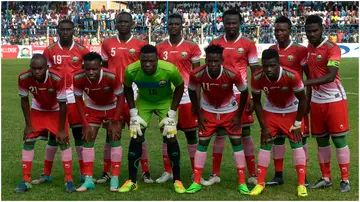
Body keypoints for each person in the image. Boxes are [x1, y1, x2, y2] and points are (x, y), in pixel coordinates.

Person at [118, 45, 185, 193]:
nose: (147, 64)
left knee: (171, 136)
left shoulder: (169, 69)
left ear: (157, 59)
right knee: (136, 135)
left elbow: (180, 86)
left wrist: (172, 112)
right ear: (139, 60)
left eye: (151, 61)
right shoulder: (131, 70)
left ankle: (177, 180)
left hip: (165, 101)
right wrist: (133, 112)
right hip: (144, 101)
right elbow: (127, 88)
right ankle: (132, 181)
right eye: (144, 61)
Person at [185, 45, 250, 194]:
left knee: (236, 143)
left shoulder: (232, 73)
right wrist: (199, 114)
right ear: (205, 60)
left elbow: (244, 92)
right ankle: (196, 181)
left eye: (216, 61)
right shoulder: (197, 73)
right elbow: (191, 89)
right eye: (209, 61)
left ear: (221, 60)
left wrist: (239, 116)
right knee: (202, 143)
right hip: (208, 112)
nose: (213, 64)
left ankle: (242, 182)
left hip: (229, 112)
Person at [206, 9, 259, 186]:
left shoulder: (248, 44)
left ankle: (252, 174)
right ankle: (215, 174)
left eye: (234, 23)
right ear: (223, 23)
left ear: (240, 23)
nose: (230, 26)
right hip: (219, 96)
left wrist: (253, 95)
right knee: (219, 133)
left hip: (240, 94)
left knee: (245, 133)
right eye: (227, 22)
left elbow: (255, 71)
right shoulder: (215, 43)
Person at [33, 19, 90, 185]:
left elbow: (89, 73)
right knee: (54, 137)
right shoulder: (50, 50)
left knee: (79, 137)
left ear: (74, 30)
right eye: (62, 29)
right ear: (57, 30)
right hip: (56, 100)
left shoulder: (82, 50)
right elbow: (44, 75)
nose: (65, 32)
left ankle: (84, 173)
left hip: (75, 99)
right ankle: (46, 174)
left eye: (68, 29)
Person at [100, 12, 151, 184]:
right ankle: (107, 172)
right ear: (115, 24)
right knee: (111, 134)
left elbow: (147, 69)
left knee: (138, 134)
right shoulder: (107, 43)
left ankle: (145, 171)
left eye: (126, 22)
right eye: (119, 21)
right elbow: (104, 68)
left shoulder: (141, 44)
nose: (122, 24)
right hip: (113, 97)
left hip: (134, 95)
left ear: (132, 24)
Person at [249, 49, 308, 197]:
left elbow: (303, 100)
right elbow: (256, 102)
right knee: (265, 144)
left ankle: (301, 184)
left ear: (278, 64)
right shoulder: (257, 77)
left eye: (273, 66)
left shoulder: (292, 75)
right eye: (266, 65)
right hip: (271, 111)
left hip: (292, 111)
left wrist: (297, 123)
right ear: (262, 64)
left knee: (297, 144)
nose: (269, 69)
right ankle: (260, 183)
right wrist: (263, 127)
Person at [15, 54, 75, 193]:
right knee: (28, 140)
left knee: (63, 141)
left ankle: (68, 179)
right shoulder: (23, 77)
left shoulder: (57, 77)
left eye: (40, 68)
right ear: (30, 68)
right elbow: (24, 100)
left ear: (47, 68)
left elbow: (62, 104)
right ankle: (26, 180)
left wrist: (61, 129)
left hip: (56, 110)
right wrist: (28, 124)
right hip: (38, 109)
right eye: (34, 69)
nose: (37, 72)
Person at [304, 15, 350, 193]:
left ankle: (345, 179)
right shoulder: (308, 48)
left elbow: (331, 75)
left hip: (334, 99)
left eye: (315, 30)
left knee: (338, 139)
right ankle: (326, 178)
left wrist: (305, 84)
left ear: (322, 30)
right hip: (316, 101)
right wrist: (307, 100)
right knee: (321, 140)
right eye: (308, 31)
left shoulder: (332, 48)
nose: (312, 34)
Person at [156, 13, 203, 183]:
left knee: (191, 136)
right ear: (167, 26)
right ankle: (167, 171)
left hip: (186, 99)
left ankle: (195, 171)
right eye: (171, 24)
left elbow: (197, 78)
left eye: (177, 24)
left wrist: (196, 102)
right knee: (167, 136)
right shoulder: (160, 47)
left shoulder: (192, 47)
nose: (174, 26)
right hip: (167, 100)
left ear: (182, 26)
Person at [267, 16, 311, 186]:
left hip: (297, 104)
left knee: (301, 138)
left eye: (283, 30)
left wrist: (308, 101)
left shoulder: (300, 50)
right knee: (278, 139)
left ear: (290, 31)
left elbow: (308, 77)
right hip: (275, 104)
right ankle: (278, 175)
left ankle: (304, 176)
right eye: (277, 30)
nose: (279, 33)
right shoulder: (271, 50)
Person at [73, 52, 124, 192]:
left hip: (112, 107)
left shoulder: (111, 77)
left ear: (101, 66)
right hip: (93, 108)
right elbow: (78, 100)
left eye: (94, 69)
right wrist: (84, 124)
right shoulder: (77, 78)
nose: (91, 72)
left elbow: (121, 97)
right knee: (88, 139)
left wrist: (115, 120)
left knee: (114, 138)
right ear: (83, 67)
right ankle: (88, 179)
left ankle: (114, 177)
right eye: (87, 69)